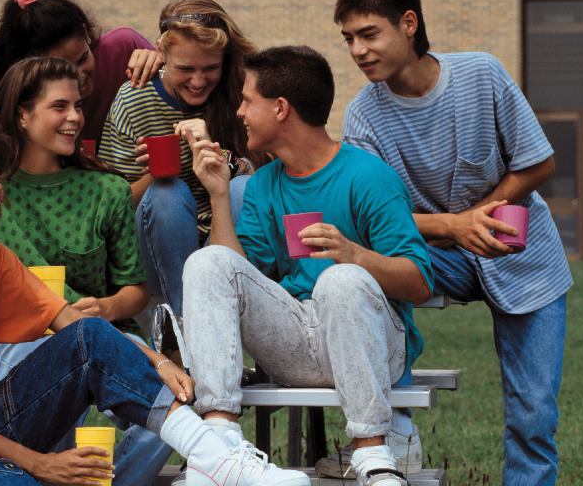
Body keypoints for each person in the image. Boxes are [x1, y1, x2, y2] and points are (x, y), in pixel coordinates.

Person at [0, 105, 311, 486]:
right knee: (18, 480)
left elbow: (75, 326)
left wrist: (157, 361)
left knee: (91, 336)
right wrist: (37, 463)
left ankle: (218, 461)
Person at [332, 0, 574, 484]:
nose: (358, 50)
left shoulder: (481, 74)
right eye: (349, 38)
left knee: (534, 416)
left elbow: (539, 164)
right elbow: (374, 218)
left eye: (369, 34)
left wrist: (479, 217)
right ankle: (392, 432)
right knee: (361, 272)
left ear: (409, 24)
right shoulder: (362, 118)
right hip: (435, 255)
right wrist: (453, 227)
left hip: (522, 255)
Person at [180, 45, 434, 486]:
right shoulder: (261, 184)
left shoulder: (368, 176)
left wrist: (356, 256)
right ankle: (217, 450)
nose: (238, 111)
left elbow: (419, 282)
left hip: (374, 343)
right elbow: (238, 276)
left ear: (280, 108)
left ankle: (374, 457)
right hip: (298, 341)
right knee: (206, 262)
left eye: (246, 100)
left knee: (341, 280)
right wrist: (220, 194)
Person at [0, 56, 164, 486]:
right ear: (22, 115)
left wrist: (104, 307)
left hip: (104, 331)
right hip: (21, 336)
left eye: (79, 106)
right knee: (46, 368)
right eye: (59, 106)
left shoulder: (107, 190)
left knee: (173, 395)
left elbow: (135, 291)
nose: (75, 117)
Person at [101, 0, 269, 322]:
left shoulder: (239, 91)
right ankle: (192, 323)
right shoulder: (134, 100)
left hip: (221, 234)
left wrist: (222, 161)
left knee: (245, 186)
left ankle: (221, 316)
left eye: (210, 68)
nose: (198, 81)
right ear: (161, 54)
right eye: (185, 69)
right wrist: (158, 172)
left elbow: (264, 173)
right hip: (156, 240)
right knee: (167, 190)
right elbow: (108, 212)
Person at [0, 0, 162, 143]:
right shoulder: (21, 110)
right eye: (63, 70)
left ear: (86, 34)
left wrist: (162, 68)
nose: (79, 75)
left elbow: (181, 86)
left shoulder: (123, 48)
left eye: (82, 59)